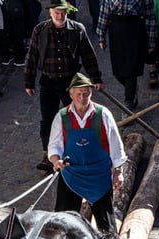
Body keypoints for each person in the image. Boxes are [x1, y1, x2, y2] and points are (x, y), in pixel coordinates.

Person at [24, 0, 104, 172]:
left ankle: (77, 151)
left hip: (71, 83)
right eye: (57, 12)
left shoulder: (77, 29)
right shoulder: (40, 30)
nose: (60, 16)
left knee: (76, 118)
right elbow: (32, 57)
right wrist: (29, 82)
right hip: (48, 81)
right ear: (50, 12)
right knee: (48, 120)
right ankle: (48, 155)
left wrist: (96, 78)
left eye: (63, 12)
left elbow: (88, 55)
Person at [47, 72, 126, 232]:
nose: (82, 98)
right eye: (78, 94)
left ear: (91, 92)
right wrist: (56, 161)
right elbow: (54, 146)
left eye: (86, 93)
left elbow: (116, 146)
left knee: (107, 227)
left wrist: (118, 171)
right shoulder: (62, 117)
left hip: (99, 176)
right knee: (61, 225)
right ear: (70, 94)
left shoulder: (103, 114)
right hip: (72, 175)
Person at [96, 0, 156, 109]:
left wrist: (151, 41)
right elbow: (104, 13)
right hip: (117, 32)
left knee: (131, 72)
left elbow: (150, 18)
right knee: (118, 72)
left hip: (136, 32)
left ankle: (128, 103)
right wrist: (101, 36)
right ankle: (132, 90)